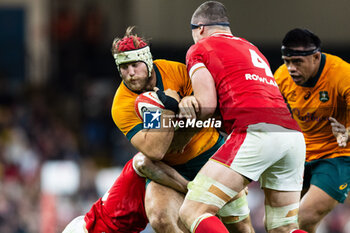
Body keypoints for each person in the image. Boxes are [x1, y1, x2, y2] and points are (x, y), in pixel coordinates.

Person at [63, 26, 253, 233]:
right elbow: (156, 151)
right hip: (169, 167)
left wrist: (191, 101)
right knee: (161, 218)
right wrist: (167, 108)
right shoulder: (122, 104)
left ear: (147, 61)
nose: (130, 73)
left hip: (208, 153)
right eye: (124, 68)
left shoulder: (175, 71)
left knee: (241, 227)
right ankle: (196, 191)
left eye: (135, 65)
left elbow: (212, 110)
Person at [178, 2, 307, 233]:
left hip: (255, 132)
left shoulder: (200, 48)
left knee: (192, 211)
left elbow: (207, 106)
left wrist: (184, 105)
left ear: (199, 29)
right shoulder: (252, 48)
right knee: (284, 227)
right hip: (292, 136)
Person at [274, 28, 350, 233]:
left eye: (297, 62)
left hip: (337, 155)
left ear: (316, 57)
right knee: (275, 222)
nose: (290, 68)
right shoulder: (281, 77)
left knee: (300, 219)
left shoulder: (342, 74)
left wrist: (347, 132)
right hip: (301, 154)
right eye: (286, 61)